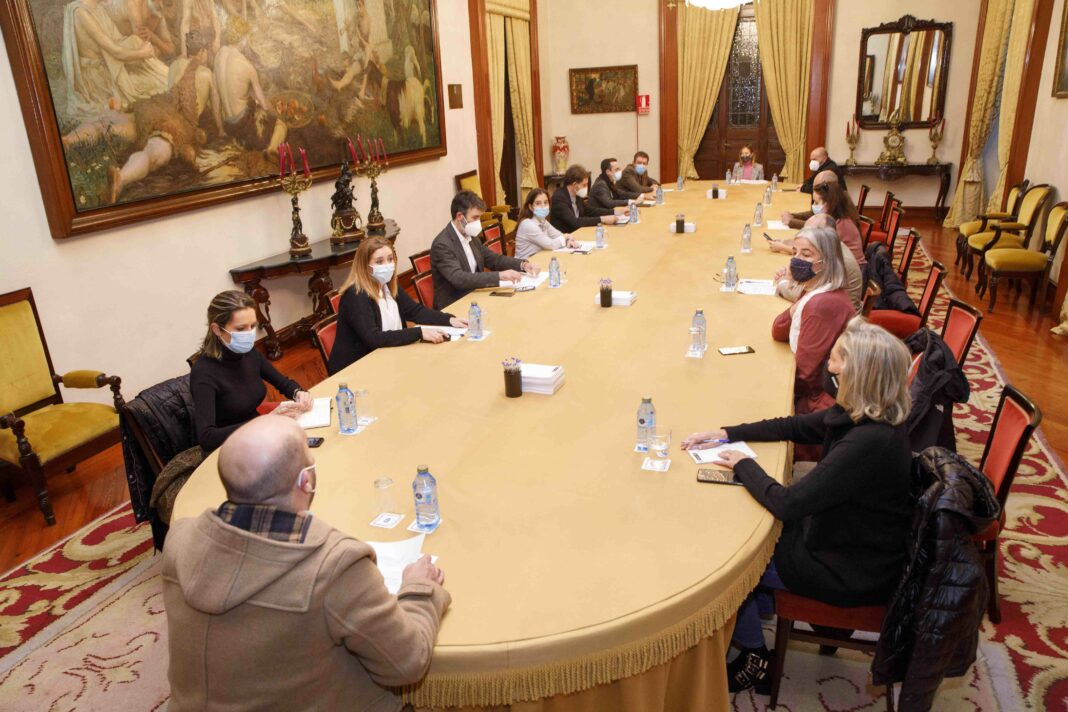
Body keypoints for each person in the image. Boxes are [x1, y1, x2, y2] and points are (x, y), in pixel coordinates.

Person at [681, 318, 913, 694]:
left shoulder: (869, 443)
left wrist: (743, 464)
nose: (828, 365)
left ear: (858, 374)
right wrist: (728, 434)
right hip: (843, 538)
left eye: (836, 359)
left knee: (730, 565)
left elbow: (788, 504)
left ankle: (754, 656)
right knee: (745, 533)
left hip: (847, 566)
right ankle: (759, 612)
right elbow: (795, 427)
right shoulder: (867, 413)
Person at [163, 415, 450, 710]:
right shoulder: (336, 567)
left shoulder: (179, 539)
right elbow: (407, 663)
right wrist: (419, 589)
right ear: (306, 480)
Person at [190, 290, 312, 453]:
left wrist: (298, 393)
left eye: (253, 326)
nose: (249, 334)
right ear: (217, 329)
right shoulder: (203, 372)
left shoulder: (249, 353)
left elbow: (282, 382)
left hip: (258, 434)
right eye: (241, 329)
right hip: (228, 448)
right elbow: (207, 438)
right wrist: (263, 422)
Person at [328, 237, 467, 373]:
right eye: (379, 261)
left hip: (389, 356)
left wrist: (449, 320)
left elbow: (415, 311)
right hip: (356, 369)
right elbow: (373, 339)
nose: (387, 265)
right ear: (365, 266)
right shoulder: (356, 294)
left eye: (390, 259)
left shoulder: (388, 284)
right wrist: (419, 333)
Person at [771, 228, 854, 415]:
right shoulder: (814, 289)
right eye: (794, 253)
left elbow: (806, 377)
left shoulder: (822, 304)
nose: (796, 260)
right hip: (814, 393)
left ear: (827, 261)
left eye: (806, 254)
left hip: (820, 403)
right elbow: (778, 330)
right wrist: (793, 308)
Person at [430, 191, 539, 309]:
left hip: (476, 296)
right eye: (475, 217)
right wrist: (500, 276)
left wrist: (523, 265)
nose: (478, 223)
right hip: (454, 305)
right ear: (460, 216)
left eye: (479, 218)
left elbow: (494, 259)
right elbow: (459, 278)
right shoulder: (442, 244)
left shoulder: (471, 236)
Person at [773, 219, 864, 313]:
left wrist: (783, 282)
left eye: (806, 255)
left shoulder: (835, 260)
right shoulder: (828, 249)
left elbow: (808, 296)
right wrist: (792, 275)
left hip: (838, 317)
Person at [772, 180, 865, 268]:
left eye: (816, 203)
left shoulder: (840, 224)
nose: (814, 206)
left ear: (829, 204)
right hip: (838, 265)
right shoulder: (833, 217)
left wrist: (783, 247)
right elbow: (814, 244)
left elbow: (818, 254)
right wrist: (787, 242)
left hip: (848, 270)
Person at [549, 164, 620, 233]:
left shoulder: (577, 195)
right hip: (566, 236)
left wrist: (614, 212)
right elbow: (574, 222)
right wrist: (602, 219)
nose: (586, 188)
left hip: (579, 232)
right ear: (574, 184)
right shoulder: (559, 198)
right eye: (584, 185)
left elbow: (590, 210)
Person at [515, 188, 581, 259]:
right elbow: (551, 244)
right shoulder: (527, 224)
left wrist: (567, 240)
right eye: (538, 203)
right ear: (531, 207)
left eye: (546, 202)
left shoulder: (543, 221)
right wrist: (566, 237)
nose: (543, 206)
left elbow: (558, 235)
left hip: (539, 258)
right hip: (525, 263)